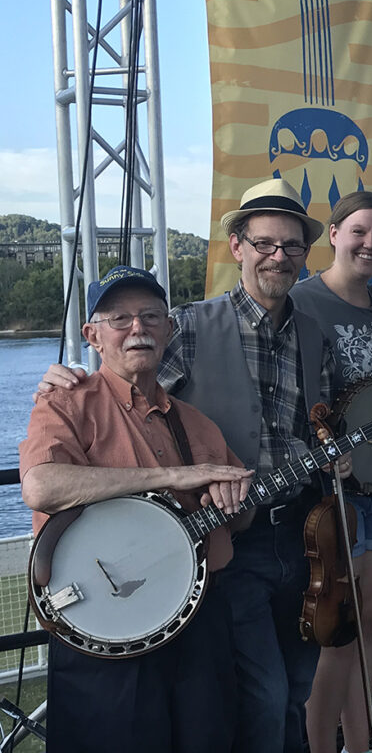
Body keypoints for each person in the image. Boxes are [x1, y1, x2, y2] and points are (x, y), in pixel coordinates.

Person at [37, 178, 346, 753]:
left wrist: (338, 453)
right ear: (237, 247)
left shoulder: (314, 334)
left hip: (304, 532)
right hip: (227, 546)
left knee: (293, 689)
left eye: (291, 247)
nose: (279, 257)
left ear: (305, 254)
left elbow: (316, 425)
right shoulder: (188, 326)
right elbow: (126, 371)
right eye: (264, 244)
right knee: (261, 691)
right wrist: (68, 378)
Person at [20, 266, 252, 752]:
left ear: (168, 329)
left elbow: (240, 518)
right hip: (105, 630)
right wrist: (172, 477)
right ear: (92, 334)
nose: (137, 328)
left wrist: (230, 502)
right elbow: (42, 486)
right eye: (119, 318)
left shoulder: (198, 424)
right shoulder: (67, 403)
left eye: (150, 316)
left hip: (197, 622)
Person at [290, 191, 372, 753]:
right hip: (335, 493)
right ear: (333, 234)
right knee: (337, 633)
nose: (371, 244)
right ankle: (319, 745)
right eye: (359, 231)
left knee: (366, 621)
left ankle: (359, 745)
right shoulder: (302, 300)